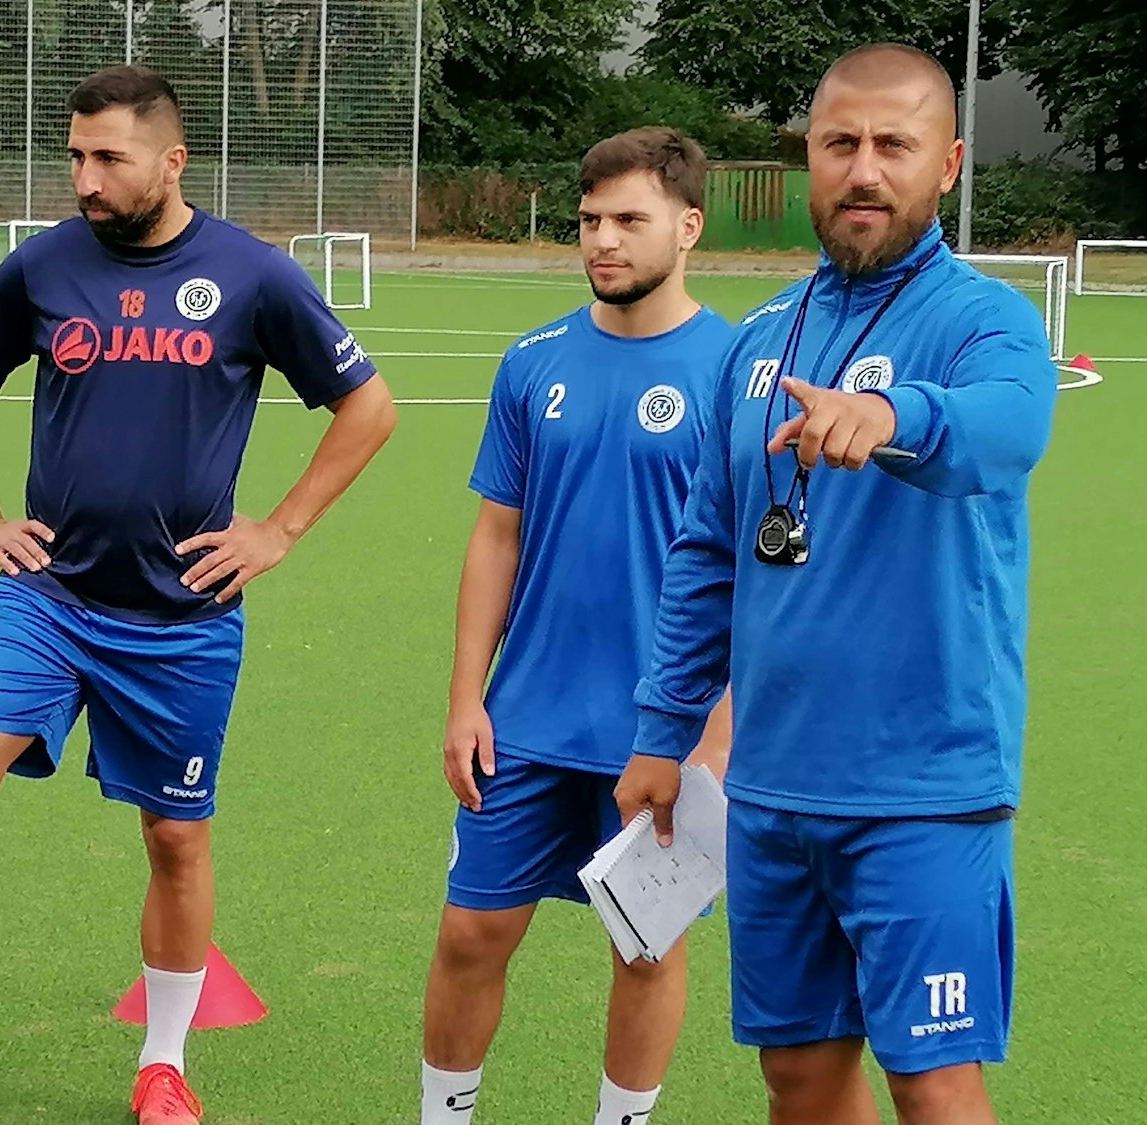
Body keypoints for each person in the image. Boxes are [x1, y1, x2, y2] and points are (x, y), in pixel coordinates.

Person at [0, 64, 397, 1125]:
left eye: (107, 157)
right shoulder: (41, 267)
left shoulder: (250, 276)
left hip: (180, 617)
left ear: (172, 160)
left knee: (175, 838)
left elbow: (367, 404)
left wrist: (278, 528)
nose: (84, 178)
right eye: (74, 155)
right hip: (49, 595)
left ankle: (162, 1064)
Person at [614, 43, 1057, 1125]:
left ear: (945, 164)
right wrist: (661, 731)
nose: (864, 171)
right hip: (768, 789)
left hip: (923, 788)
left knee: (931, 1079)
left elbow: (1011, 423)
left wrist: (898, 416)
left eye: (892, 146)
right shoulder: (759, 337)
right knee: (798, 1076)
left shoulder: (979, 318)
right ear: (806, 158)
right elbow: (706, 549)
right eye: (839, 144)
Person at [418, 127, 735, 1125]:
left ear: (685, 227)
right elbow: (494, 539)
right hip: (526, 723)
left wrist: (712, 748)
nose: (601, 239)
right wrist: (466, 697)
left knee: (645, 945)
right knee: (469, 936)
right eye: (589, 219)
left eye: (627, 219)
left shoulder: (734, 372)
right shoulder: (531, 362)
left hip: (661, 735)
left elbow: (758, 580)